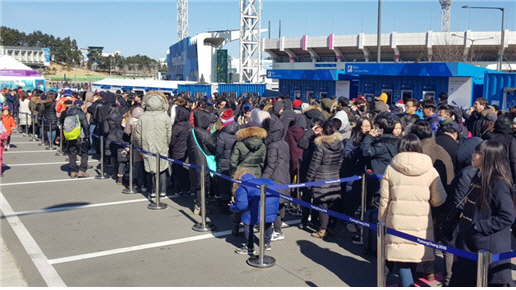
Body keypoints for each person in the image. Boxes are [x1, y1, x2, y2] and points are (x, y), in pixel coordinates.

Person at [379, 134, 447, 287]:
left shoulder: (391, 168)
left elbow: (384, 199)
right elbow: (439, 199)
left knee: (401, 257)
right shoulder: (430, 169)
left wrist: (382, 221)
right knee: (412, 256)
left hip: (396, 220)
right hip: (420, 221)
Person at [450, 141, 516, 287]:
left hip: (487, 246)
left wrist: (479, 227)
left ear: (489, 157)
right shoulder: (478, 175)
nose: (473, 155)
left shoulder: (498, 183)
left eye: (478, 153)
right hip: (469, 243)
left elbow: (507, 215)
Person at [305, 119, 344, 238]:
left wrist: (308, 180)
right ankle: (330, 228)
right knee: (332, 203)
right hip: (334, 175)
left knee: (322, 204)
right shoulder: (340, 144)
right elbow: (341, 161)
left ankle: (322, 229)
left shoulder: (321, 145)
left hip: (321, 177)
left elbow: (314, 164)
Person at [230, 168, 279, 255]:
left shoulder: (243, 186)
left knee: (247, 220)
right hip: (273, 205)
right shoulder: (267, 180)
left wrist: (232, 206)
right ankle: (267, 243)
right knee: (267, 220)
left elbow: (242, 205)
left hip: (259, 206)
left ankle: (249, 247)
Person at [134, 91, 172, 198]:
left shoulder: (143, 117)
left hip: (147, 145)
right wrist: (167, 143)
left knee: (150, 168)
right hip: (162, 145)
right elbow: (169, 133)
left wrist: (141, 145)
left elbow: (138, 134)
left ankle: (152, 191)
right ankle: (163, 190)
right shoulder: (165, 117)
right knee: (162, 167)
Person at [262, 117, 291, 242]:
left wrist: (262, 180)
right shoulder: (284, 143)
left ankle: (277, 230)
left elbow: (270, 165)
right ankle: (278, 229)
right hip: (284, 176)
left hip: (275, 178)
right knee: (281, 204)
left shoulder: (273, 146)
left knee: (274, 206)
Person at [187, 109, 216, 214]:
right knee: (203, 184)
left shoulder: (191, 132)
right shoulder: (205, 134)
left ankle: (198, 204)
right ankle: (200, 206)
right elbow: (213, 146)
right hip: (204, 162)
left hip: (194, 161)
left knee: (198, 184)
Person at [60, 100, 90, 178]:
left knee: (72, 153)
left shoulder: (66, 112)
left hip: (69, 136)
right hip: (80, 136)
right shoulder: (80, 113)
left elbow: (61, 122)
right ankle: (82, 171)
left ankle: (73, 171)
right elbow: (85, 125)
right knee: (84, 153)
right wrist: (87, 136)